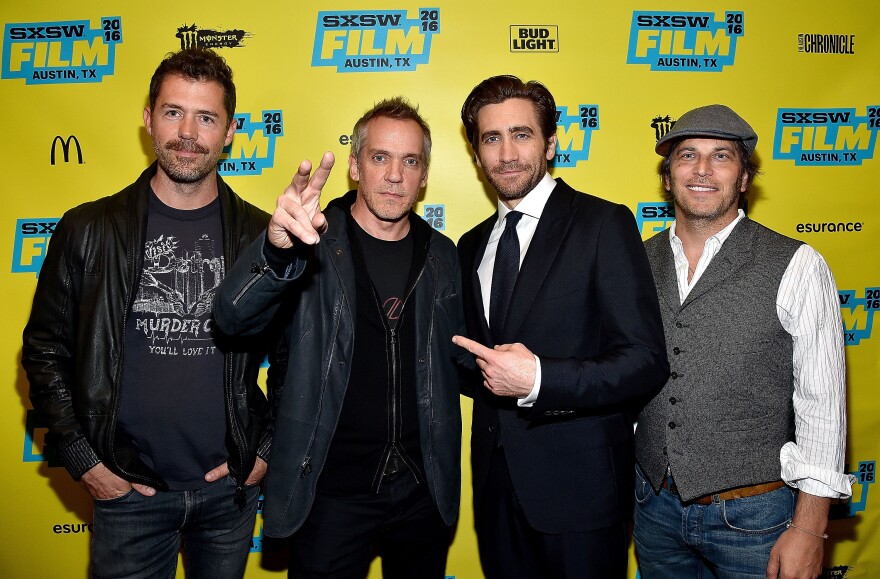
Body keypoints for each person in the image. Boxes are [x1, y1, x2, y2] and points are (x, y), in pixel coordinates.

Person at [21, 48, 272, 578]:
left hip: (228, 493)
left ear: (230, 131)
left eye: (206, 117)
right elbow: (44, 351)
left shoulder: (260, 236)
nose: (187, 132)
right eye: (173, 111)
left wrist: (265, 451)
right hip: (127, 492)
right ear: (148, 119)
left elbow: (302, 360)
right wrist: (83, 460)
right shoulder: (87, 229)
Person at [213, 97, 465, 579]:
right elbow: (231, 317)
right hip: (329, 491)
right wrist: (276, 251)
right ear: (354, 165)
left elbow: (460, 361)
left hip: (422, 492)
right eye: (379, 157)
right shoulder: (310, 242)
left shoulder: (443, 256)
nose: (395, 175)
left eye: (410, 161)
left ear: (424, 174)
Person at [451, 74, 669, 578]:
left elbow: (644, 360)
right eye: (491, 138)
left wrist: (540, 381)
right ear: (477, 153)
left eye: (521, 134)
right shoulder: (470, 244)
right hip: (494, 489)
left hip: (582, 494)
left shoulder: (602, 223)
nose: (507, 153)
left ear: (551, 142)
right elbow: (477, 361)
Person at [633, 104, 854, 579]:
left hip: (755, 519)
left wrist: (811, 529)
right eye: (687, 155)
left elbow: (823, 404)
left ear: (744, 178)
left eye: (722, 156)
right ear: (668, 178)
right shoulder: (635, 259)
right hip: (652, 508)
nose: (703, 170)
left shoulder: (798, 264)